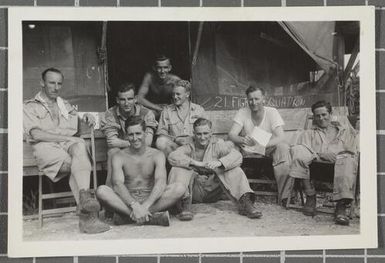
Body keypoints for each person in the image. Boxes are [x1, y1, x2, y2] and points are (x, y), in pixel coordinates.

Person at [23, 67, 109, 234]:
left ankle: (83, 198)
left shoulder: (65, 105)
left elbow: (77, 124)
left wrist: (87, 118)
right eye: (51, 83)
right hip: (46, 148)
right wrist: (65, 138)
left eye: (59, 83)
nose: (56, 87)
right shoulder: (29, 106)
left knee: (79, 146)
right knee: (79, 161)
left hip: (68, 146)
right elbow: (36, 133)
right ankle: (88, 217)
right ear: (42, 83)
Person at [96, 117, 187, 226]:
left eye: (138, 133)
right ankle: (150, 217)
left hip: (151, 199)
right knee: (101, 191)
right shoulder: (119, 156)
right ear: (126, 135)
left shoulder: (157, 155)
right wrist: (134, 205)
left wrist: (145, 206)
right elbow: (117, 184)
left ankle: (129, 217)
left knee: (180, 188)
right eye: (131, 135)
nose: (135, 138)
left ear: (145, 134)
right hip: (127, 200)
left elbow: (161, 182)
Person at [168, 118, 262, 221]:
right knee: (177, 168)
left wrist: (220, 162)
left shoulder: (218, 144)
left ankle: (245, 204)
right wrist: (196, 163)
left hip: (213, 189)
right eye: (199, 134)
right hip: (193, 191)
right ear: (194, 133)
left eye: (205, 133)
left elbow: (237, 156)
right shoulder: (189, 144)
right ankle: (183, 206)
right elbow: (173, 156)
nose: (202, 137)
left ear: (211, 133)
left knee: (234, 168)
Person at [289, 100, 359, 225]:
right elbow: (303, 150)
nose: (321, 118)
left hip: (340, 169)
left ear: (330, 114)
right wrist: (320, 155)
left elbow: (352, 151)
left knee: (348, 160)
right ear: (314, 117)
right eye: (317, 116)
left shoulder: (343, 131)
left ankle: (341, 206)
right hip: (316, 169)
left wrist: (338, 156)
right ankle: (310, 196)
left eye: (324, 114)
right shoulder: (309, 133)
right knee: (298, 149)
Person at [228, 85, 292, 205]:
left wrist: (264, 145)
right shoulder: (243, 112)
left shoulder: (272, 112)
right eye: (250, 99)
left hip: (267, 147)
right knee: (229, 145)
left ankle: (285, 196)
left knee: (283, 147)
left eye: (257, 99)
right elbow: (231, 135)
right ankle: (237, 193)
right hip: (248, 149)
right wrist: (242, 139)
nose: (253, 102)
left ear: (263, 98)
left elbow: (281, 137)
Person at [100, 82, 157, 187]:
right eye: (122, 100)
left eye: (130, 99)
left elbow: (148, 142)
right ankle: (110, 189)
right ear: (117, 100)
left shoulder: (146, 113)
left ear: (135, 99)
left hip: (143, 151)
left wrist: (124, 143)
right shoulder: (110, 114)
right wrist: (134, 143)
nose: (126, 103)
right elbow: (112, 142)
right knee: (113, 152)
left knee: (155, 154)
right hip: (122, 152)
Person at [156, 79, 205, 157]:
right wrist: (175, 139)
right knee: (160, 141)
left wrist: (192, 139)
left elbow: (207, 132)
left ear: (187, 94)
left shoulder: (199, 110)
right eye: (173, 94)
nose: (175, 97)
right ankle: (180, 163)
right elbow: (161, 133)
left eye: (178, 94)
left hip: (195, 147)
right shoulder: (167, 111)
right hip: (175, 148)